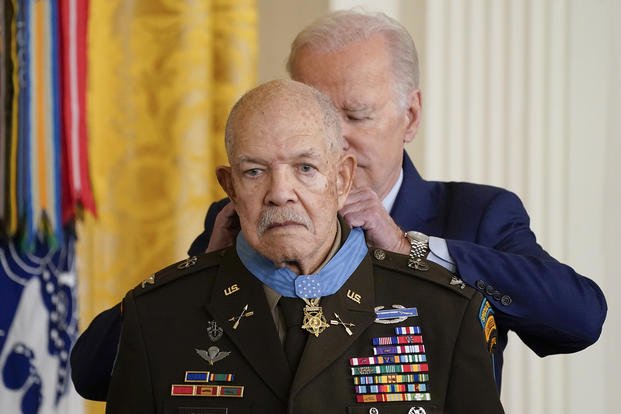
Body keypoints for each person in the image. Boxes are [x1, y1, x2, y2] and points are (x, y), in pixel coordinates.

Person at [71, 9, 607, 400]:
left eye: (355, 114)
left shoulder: (475, 215)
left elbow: (579, 319)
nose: (334, 141)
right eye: (315, 112)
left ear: (411, 117)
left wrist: (411, 250)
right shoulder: (246, 217)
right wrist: (206, 263)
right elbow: (100, 372)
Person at [105, 79, 504, 413]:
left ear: (343, 179)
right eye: (255, 171)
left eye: (305, 168)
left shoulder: (446, 314)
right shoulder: (157, 314)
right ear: (230, 187)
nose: (280, 194)